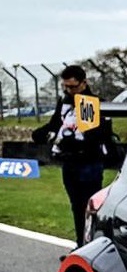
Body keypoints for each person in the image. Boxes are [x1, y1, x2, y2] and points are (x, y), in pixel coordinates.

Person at [32, 65, 113, 246]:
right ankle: (80, 244)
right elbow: (55, 124)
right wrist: (41, 133)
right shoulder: (65, 102)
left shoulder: (87, 102)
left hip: (88, 163)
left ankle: (90, 246)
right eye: (66, 87)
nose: (69, 91)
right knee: (76, 206)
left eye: (73, 86)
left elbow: (90, 137)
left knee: (88, 207)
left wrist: (73, 144)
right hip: (69, 162)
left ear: (83, 83)